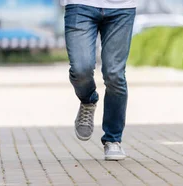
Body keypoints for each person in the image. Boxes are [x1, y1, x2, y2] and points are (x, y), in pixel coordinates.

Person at [60, 0, 136, 161]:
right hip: (80, 4)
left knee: (115, 74)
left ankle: (113, 138)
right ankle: (88, 101)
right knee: (81, 69)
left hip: (122, 7)